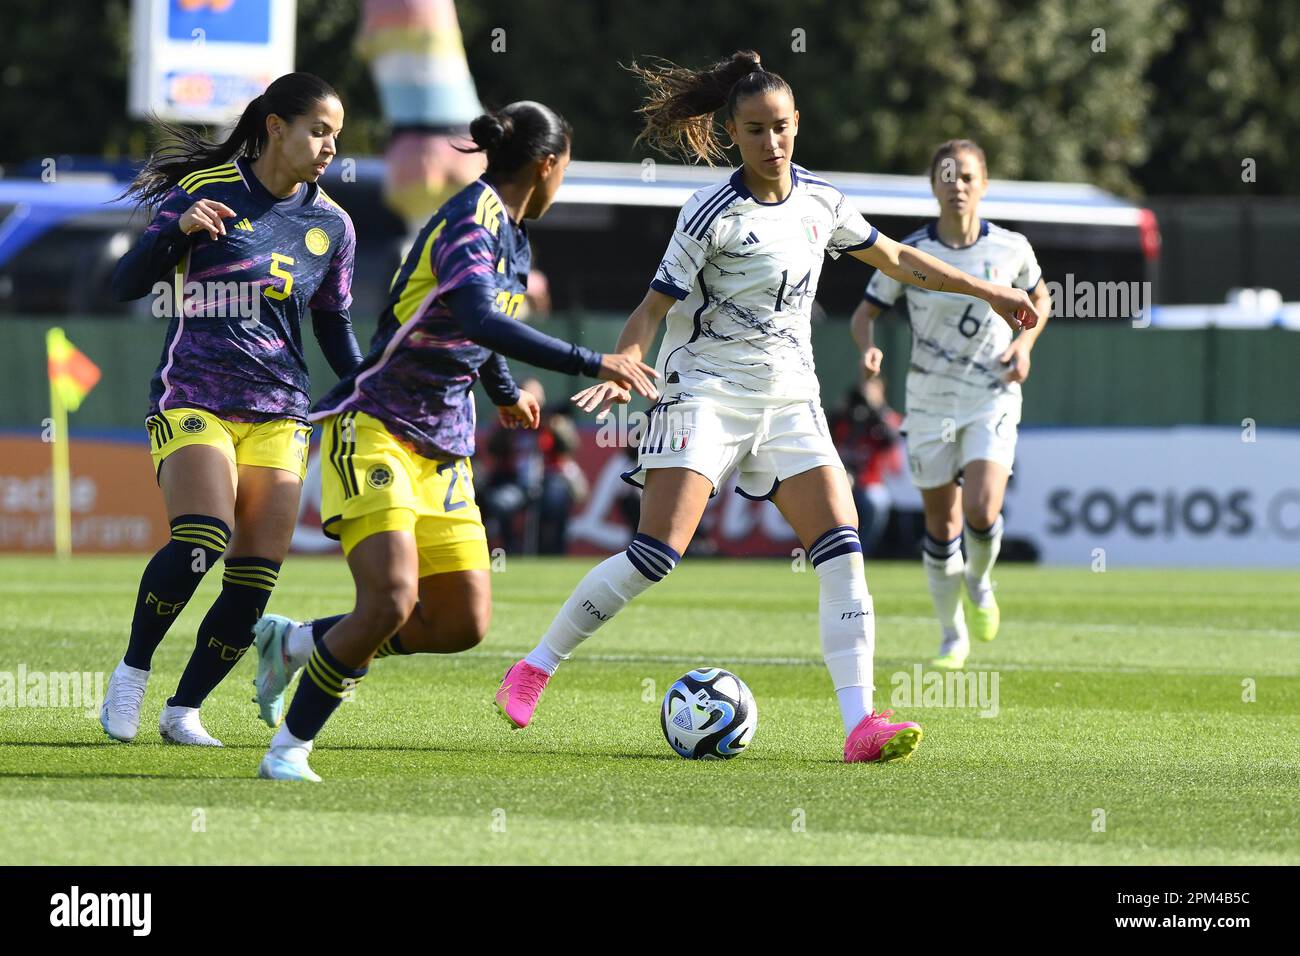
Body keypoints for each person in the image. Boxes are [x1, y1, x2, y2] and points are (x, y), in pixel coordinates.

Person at [493, 52, 1039, 763]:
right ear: (733, 133)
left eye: (781, 128)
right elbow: (652, 308)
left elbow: (901, 260)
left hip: (791, 401)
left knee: (843, 548)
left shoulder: (823, 201)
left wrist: (992, 292)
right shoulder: (710, 211)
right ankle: (534, 666)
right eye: (755, 131)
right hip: (706, 395)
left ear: (797, 125)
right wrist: (626, 364)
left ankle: (859, 724)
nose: (771, 143)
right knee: (655, 555)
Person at [250, 100, 659, 782]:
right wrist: (594, 361)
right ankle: (288, 750)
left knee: (460, 622)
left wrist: (502, 392)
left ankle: (295, 643)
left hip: (444, 445)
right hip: (378, 425)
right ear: (548, 164)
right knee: (388, 603)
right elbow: (476, 313)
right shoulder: (473, 219)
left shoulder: (517, 238)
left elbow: (477, 325)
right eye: (568, 168)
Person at [99, 73, 363, 747]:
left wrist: (369, 388)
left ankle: (184, 709)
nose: (331, 145)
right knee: (201, 540)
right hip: (194, 396)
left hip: (281, 411)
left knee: (253, 579)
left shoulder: (333, 224)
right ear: (276, 127)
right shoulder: (207, 191)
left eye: (337, 134)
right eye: (319, 130)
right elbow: (124, 284)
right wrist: (176, 235)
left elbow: (333, 325)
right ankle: (132, 673)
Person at [850, 138, 1053, 669]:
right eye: (947, 175)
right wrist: (867, 347)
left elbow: (1041, 297)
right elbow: (864, 313)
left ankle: (981, 582)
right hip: (929, 400)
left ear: (983, 184)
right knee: (942, 527)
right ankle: (951, 634)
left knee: (984, 510)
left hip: (991, 394)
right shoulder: (912, 251)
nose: (957, 185)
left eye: (967, 176)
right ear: (933, 185)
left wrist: (1024, 345)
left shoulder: (1012, 248)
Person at [829, 375, 903, 557]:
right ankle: (831, 552)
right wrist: (847, 403)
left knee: (876, 501)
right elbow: (827, 428)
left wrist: (876, 408)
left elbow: (891, 440)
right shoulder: (846, 418)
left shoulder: (884, 418)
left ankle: (862, 552)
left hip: (871, 483)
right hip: (842, 481)